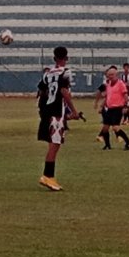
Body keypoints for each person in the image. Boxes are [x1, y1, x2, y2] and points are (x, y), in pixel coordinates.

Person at [38, 46, 82, 191]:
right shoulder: (66, 72)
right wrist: (74, 111)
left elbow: (42, 93)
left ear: (54, 58)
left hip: (49, 112)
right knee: (54, 144)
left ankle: (49, 176)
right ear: (66, 58)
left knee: (53, 143)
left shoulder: (47, 74)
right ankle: (47, 176)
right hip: (56, 113)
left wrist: (44, 112)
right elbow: (64, 91)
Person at [93, 65, 129, 150]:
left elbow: (125, 95)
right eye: (109, 75)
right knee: (105, 128)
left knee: (115, 127)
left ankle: (128, 143)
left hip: (118, 108)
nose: (110, 77)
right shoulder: (108, 84)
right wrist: (102, 106)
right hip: (109, 108)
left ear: (116, 75)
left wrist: (126, 106)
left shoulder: (120, 84)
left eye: (112, 75)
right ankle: (107, 145)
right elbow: (107, 97)